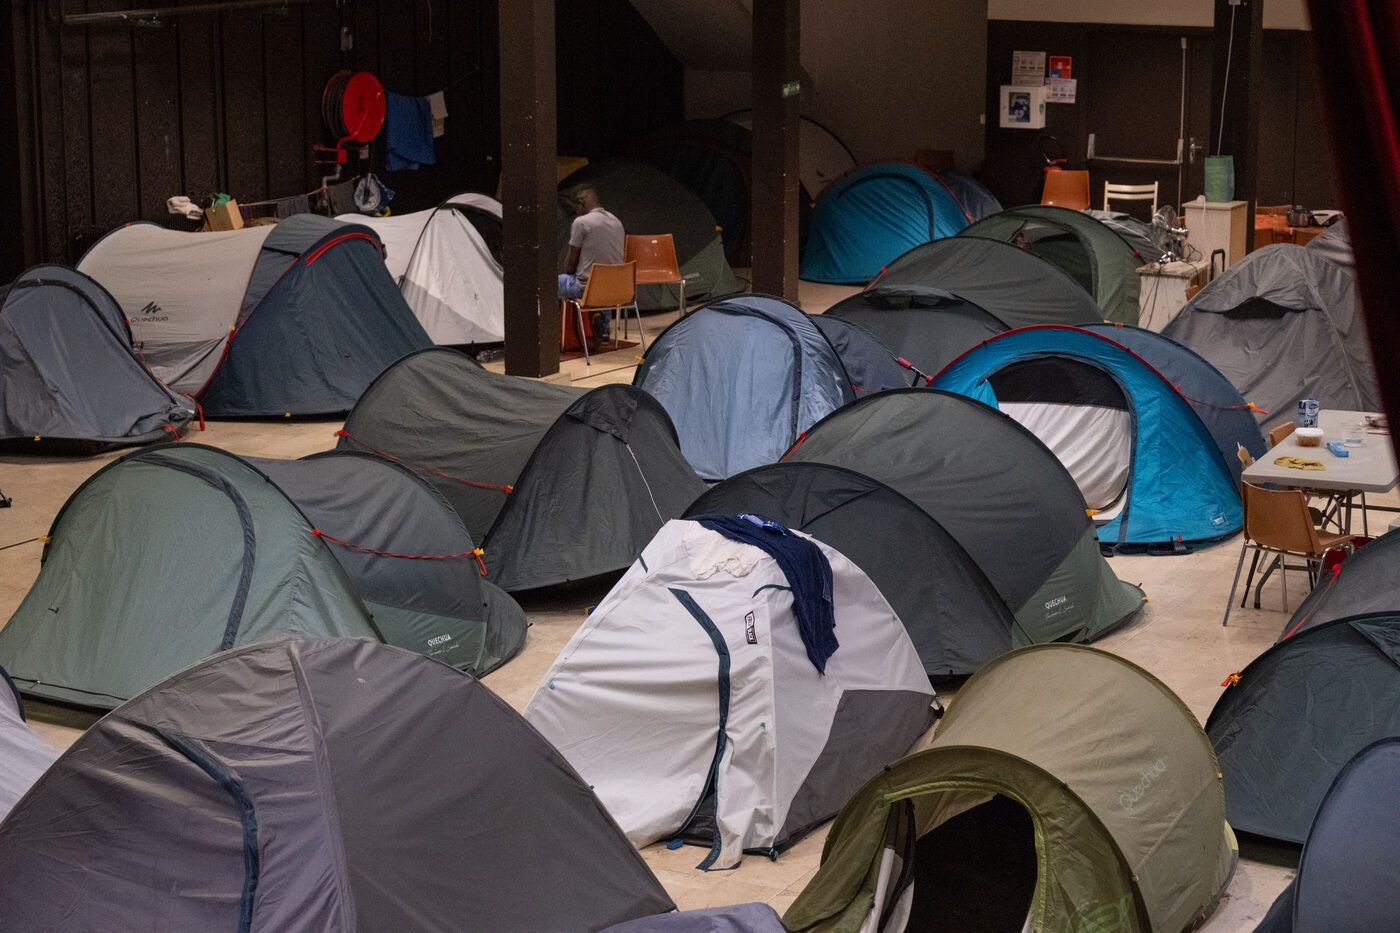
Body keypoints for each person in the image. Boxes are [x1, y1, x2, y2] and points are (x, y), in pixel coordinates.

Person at [559, 185, 625, 342]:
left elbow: (571, 262)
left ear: (580, 203)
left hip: (587, 289)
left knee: (553, 284)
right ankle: (603, 329)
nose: (576, 211)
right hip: (616, 289)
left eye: (576, 207)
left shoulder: (581, 222)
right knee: (602, 284)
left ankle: (559, 333)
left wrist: (568, 271)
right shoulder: (616, 221)